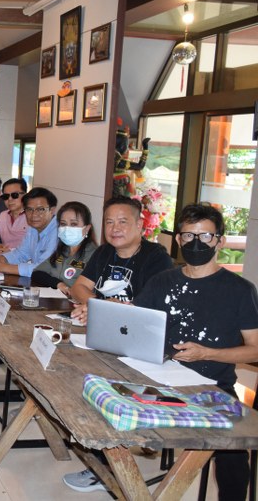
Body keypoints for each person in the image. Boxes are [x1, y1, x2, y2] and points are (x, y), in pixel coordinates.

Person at [64, 204, 258, 498]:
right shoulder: (163, 281)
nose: (196, 243)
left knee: (233, 452)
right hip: (156, 377)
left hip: (212, 387)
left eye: (205, 236)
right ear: (178, 239)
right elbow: (133, 321)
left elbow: (254, 350)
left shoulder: (239, 290)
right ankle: (107, 470)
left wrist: (207, 353)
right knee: (98, 398)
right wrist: (96, 312)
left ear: (220, 241)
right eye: (188, 235)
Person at [69, 196, 173, 323]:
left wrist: (104, 309)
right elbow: (78, 287)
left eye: (122, 222)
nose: (115, 229)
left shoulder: (157, 258)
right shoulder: (104, 251)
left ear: (139, 224)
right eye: (109, 222)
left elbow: (151, 305)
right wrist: (99, 305)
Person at [0, 187, 58, 277]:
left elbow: (43, 268)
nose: (34, 215)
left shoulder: (58, 232)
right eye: (29, 209)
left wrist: (3, 267)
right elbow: (21, 253)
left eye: (40, 209)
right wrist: (0, 259)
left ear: (52, 210)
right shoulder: (33, 227)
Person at [31, 201, 97, 295]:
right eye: (63, 224)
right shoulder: (63, 250)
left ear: (87, 228)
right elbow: (37, 273)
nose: (67, 228)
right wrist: (58, 284)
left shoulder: (94, 255)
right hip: (55, 299)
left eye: (73, 224)